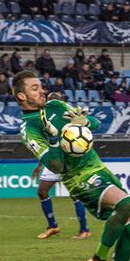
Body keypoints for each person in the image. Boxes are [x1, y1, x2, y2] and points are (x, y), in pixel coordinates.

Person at [14, 70, 130, 261]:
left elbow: (93, 124)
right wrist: (54, 140)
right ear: (21, 96)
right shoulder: (29, 129)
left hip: (98, 167)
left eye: (41, 86)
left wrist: (84, 122)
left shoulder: (55, 105)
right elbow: (55, 165)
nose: (42, 90)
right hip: (78, 177)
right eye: (34, 88)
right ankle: (97, 260)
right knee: (125, 204)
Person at [31, 92, 90, 240]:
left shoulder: (69, 119)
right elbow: (46, 145)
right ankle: (53, 226)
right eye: (49, 100)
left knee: (75, 194)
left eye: (53, 101)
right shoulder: (45, 120)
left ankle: (84, 230)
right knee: (42, 191)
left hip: (69, 161)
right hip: (53, 161)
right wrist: (39, 165)